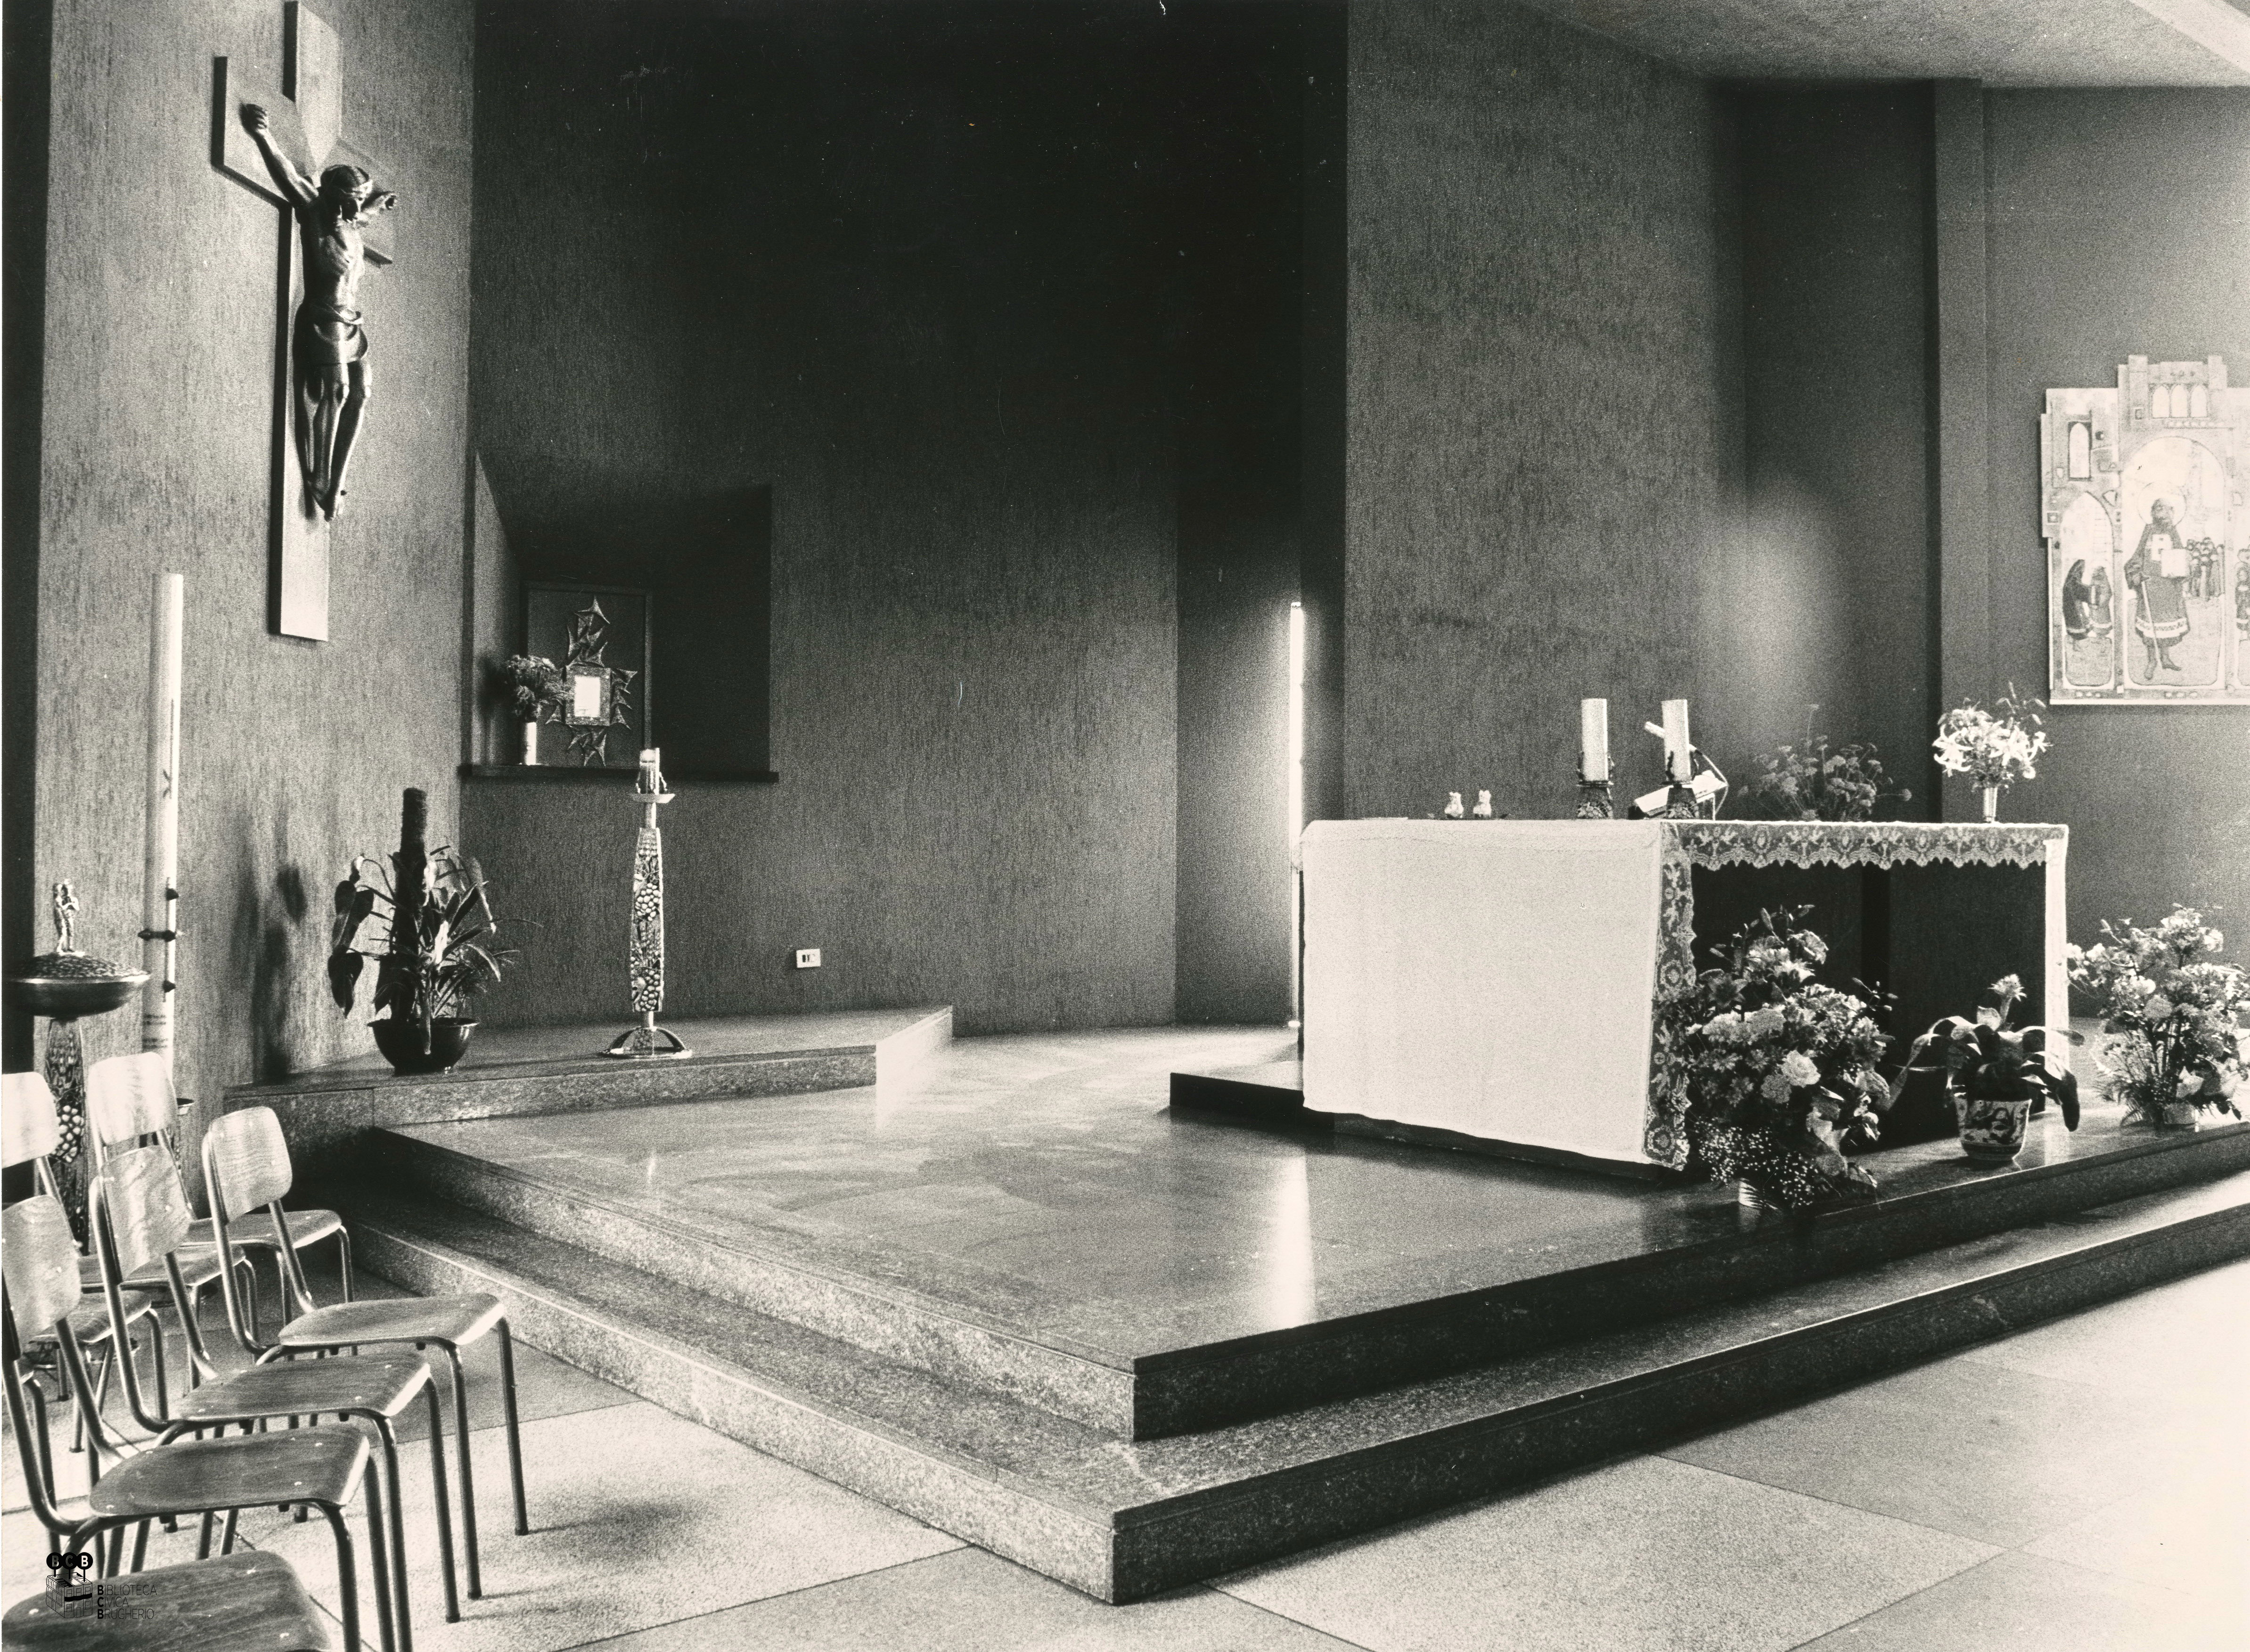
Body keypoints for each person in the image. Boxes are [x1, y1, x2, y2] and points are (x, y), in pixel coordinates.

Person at [241, 103, 397, 519]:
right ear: (329, 195)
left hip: (353, 324)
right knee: (338, 392)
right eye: (348, 200)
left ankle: (339, 477)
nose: (353, 209)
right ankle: (322, 477)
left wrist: (379, 206)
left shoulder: (350, 221)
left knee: (361, 393)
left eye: (359, 200)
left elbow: (362, 218)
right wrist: (264, 136)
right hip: (323, 319)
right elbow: (288, 174)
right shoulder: (314, 212)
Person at [2123, 498, 2192, 675]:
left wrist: (2182, 570)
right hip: (2150, 586)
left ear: (2171, 512)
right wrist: (2136, 574)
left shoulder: (2173, 531)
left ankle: (2166, 659)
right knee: (2151, 625)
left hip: (2168, 587)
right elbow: (2138, 555)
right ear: (2153, 512)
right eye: (2157, 509)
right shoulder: (2149, 530)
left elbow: (2180, 555)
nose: (2161, 513)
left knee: (2166, 625)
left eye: (2165, 509)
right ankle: (2152, 661)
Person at [2060, 559, 2093, 640]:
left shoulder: (2072, 580)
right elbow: (2079, 589)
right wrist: (2091, 590)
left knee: (2080, 620)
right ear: (2078, 570)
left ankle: (2078, 640)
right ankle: (2078, 642)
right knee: (2077, 625)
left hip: (2073, 605)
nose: (2083, 572)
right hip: (2073, 607)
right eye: (2082, 571)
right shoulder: (2073, 581)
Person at [2089, 565, 2115, 636]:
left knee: (2102, 625)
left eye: (2098, 571)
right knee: (2095, 623)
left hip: (2101, 607)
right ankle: (2098, 636)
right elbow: (2091, 591)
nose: (2095, 572)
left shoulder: (2104, 580)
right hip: (2094, 606)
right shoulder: (2093, 579)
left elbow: (2108, 593)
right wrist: (2092, 603)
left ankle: (2102, 636)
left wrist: (2099, 604)